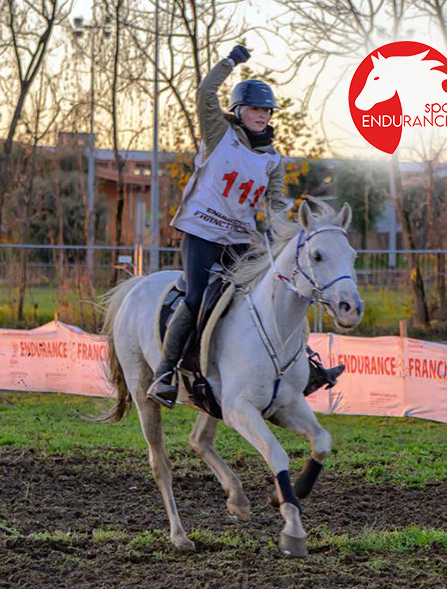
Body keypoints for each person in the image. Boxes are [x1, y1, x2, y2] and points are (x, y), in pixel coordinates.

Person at [148, 45, 345, 408]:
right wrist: (230, 62)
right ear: (239, 110)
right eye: (255, 109)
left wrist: (285, 233)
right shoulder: (219, 133)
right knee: (197, 295)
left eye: (266, 110)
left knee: (276, 291)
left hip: (239, 239)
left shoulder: (273, 159)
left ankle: (306, 368)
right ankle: (165, 372)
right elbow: (205, 93)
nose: (262, 115)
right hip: (202, 231)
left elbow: (275, 204)